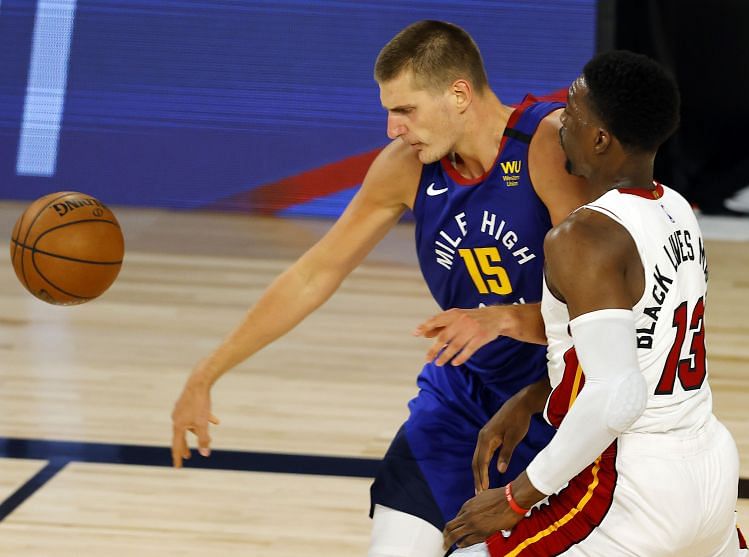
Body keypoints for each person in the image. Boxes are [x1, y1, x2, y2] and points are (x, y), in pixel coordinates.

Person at [170, 20, 590, 557]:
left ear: (458, 94)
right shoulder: (405, 168)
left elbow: (601, 308)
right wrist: (207, 371)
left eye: (405, 110)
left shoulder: (548, 148)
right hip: (463, 397)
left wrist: (501, 318)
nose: (393, 128)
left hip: (558, 399)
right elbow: (312, 274)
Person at [443, 50, 748, 556]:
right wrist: (536, 395)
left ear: (600, 139)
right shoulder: (676, 209)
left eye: (572, 112)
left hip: (634, 482)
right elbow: (642, 350)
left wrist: (516, 498)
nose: (561, 121)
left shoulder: (583, 236)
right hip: (710, 472)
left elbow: (617, 393)